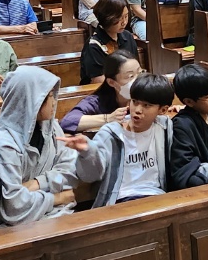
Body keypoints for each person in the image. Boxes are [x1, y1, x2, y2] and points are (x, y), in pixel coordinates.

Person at [0, 65, 85, 226]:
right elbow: (13, 206)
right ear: (33, 100)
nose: (55, 102)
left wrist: (37, 183)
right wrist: (56, 198)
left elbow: (70, 172)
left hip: (59, 213)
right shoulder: (5, 144)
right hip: (16, 228)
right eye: (50, 96)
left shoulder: (51, 126)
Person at [72, 72, 176, 206]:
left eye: (146, 105)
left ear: (162, 110)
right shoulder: (110, 134)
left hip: (156, 195)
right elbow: (89, 176)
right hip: (119, 199)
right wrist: (87, 152)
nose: (137, 110)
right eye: (134, 102)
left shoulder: (164, 127)